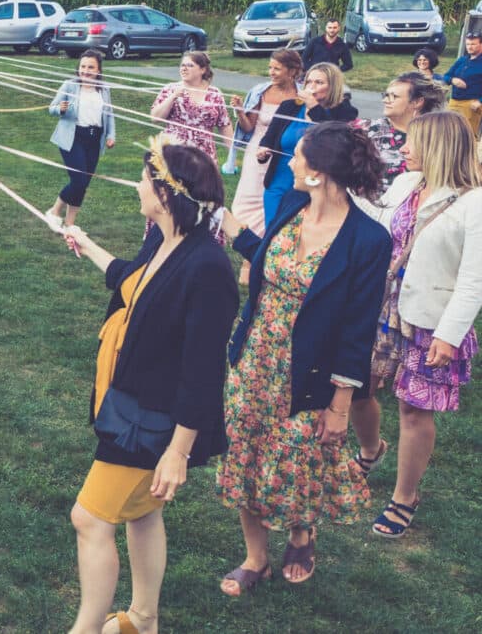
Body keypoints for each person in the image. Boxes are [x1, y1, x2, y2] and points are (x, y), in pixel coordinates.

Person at [59, 139, 237, 634]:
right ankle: (142, 620)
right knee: (141, 513)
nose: (137, 186)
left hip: (156, 420)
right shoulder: (162, 240)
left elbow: (204, 372)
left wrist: (178, 451)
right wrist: (85, 243)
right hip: (133, 404)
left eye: (144, 179)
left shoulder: (208, 268)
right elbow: (132, 281)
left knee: (89, 518)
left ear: (165, 192)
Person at [216, 122, 389, 594]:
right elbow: (270, 259)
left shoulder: (368, 240)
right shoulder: (292, 205)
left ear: (318, 172)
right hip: (255, 358)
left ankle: (300, 532)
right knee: (247, 453)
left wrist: (339, 406)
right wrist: (227, 223)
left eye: (298, 156)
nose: (289, 161)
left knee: (297, 461)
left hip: (309, 371)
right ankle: (255, 559)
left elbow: (358, 330)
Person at [347, 111, 482, 538]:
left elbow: (473, 280)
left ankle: (404, 496)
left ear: (438, 147)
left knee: (413, 409)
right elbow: (377, 220)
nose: (403, 148)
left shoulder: (474, 203)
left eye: (413, 141)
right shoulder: (407, 183)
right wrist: (340, 183)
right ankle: (371, 449)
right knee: (357, 386)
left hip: (429, 320)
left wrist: (449, 334)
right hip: (380, 307)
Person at [257, 62, 358, 227]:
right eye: (309, 81)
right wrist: (263, 149)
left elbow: (333, 140)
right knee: (273, 231)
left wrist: (314, 107)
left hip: (315, 187)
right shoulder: (288, 106)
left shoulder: (344, 111)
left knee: (302, 233)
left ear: (332, 86)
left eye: (319, 82)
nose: (312, 86)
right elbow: (270, 136)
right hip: (279, 182)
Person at [228, 50, 302, 237]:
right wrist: (240, 111)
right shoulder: (260, 91)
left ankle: (269, 237)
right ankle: (247, 237)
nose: (271, 72)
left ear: (292, 71)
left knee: (276, 196)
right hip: (258, 150)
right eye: (270, 68)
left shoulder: (301, 96)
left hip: (285, 153)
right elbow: (248, 127)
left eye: (277, 69)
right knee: (248, 196)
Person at [46, 50, 116, 229]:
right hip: (73, 138)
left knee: (84, 183)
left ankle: (70, 223)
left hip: (94, 139)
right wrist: (60, 109)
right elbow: (52, 108)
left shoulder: (104, 89)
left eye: (91, 67)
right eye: (83, 66)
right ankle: (54, 211)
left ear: (98, 70)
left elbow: (109, 114)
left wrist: (110, 135)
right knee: (79, 180)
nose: (86, 70)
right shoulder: (69, 85)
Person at [149, 51, 232, 164]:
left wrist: (231, 154)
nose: (184, 69)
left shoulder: (214, 93)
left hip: (205, 156)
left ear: (202, 70)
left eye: (190, 65)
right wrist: (173, 97)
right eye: (182, 65)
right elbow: (155, 118)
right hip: (175, 154)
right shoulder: (170, 89)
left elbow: (224, 124)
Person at [366, 73, 446, 183]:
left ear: (417, 102)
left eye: (394, 96)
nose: (385, 100)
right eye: (385, 95)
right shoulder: (366, 129)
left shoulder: (436, 137)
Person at [441, 32, 482, 138]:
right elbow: (446, 76)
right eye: (468, 44)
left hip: (471, 104)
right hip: (454, 102)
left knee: (467, 136)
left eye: (473, 44)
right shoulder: (462, 60)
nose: (469, 47)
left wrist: (480, 101)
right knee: (449, 133)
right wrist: (452, 80)